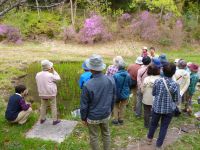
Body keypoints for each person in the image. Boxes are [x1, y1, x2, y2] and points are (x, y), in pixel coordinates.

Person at [80, 54, 116, 150]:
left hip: (93, 117)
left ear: (91, 68)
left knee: (94, 136)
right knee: (106, 133)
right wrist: (110, 110)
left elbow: (84, 105)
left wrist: (83, 118)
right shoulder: (111, 80)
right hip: (106, 114)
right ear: (101, 67)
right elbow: (113, 98)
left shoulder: (87, 85)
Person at [147, 63, 180, 149]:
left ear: (163, 71)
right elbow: (176, 99)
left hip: (156, 107)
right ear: (174, 73)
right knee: (164, 127)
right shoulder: (174, 84)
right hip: (168, 109)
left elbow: (153, 93)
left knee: (153, 124)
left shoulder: (157, 81)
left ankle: (149, 139)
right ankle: (158, 145)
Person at [36, 59, 61, 125]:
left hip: (42, 94)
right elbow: (58, 78)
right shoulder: (50, 75)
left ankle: (42, 119)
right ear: (49, 67)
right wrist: (54, 71)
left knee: (43, 106)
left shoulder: (38, 74)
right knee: (53, 106)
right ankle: (55, 120)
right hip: (51, 94)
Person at [112, 59, 132, 125]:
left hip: (117, 94)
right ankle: (121, 119)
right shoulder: (128, 75)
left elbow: (113, 85)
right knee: (123, 106)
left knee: (115, 106)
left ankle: (115, 120)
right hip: (125, 93)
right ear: (125, 67)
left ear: (118, 67)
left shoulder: (115, 75)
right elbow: (130, 84)